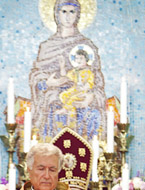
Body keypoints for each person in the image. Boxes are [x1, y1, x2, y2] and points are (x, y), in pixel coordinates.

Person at [29, 0, 106, 139]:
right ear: (56, 14)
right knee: (54, 106)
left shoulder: (87, 46)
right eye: (63, 11)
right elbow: (36, 76)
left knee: (92, 113)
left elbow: (97, 81)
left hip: (81, 95)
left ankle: (91, 154)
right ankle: (51, 154)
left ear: (78, 15)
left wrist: (92, 96)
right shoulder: (47, 46)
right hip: (54, 98)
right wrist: (49, 83)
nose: (68, 16)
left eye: (72, 12)